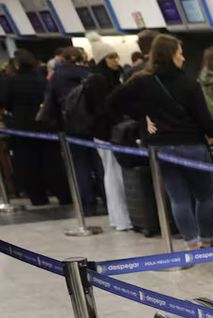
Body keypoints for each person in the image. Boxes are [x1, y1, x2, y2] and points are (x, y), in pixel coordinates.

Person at [108, 34, 213, 251]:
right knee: (204, 196)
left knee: (178, 198)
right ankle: (206, 239)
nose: (183, 58)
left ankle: (191, 243)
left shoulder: (142, 80)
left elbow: (112, 102)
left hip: (162, 147)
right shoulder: (189, 83)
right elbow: (203, 118)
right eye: (179, 53)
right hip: (192, 145)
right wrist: (211, 133)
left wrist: (142, 116)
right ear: (170, 55)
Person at [0, 49, 69, 206]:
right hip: (46, 125)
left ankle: (38, 197)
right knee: (52, 162)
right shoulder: (44, 80)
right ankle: (63, 195)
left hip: (21, 128)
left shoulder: (9, 81)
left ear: (17, 64)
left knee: (28, 164)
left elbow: (3, 101)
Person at [44, 47, 103, 215]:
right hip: (94, 124)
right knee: (99, 164)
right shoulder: (90, 73)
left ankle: (87, 206)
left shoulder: (57, 76)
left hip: (71, 126)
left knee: (80, 167)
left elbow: (51, 103)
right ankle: (107, 201)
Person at [83, 37, 132, 231]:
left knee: (114, 174)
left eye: (116, 56)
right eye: (110, 57)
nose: (115, 60)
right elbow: (103, 108)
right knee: (113, 175)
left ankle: (120, 217)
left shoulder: (112, 76)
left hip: (112, 131)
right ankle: (121, 218)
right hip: (105, 133)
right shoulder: (98, 80)